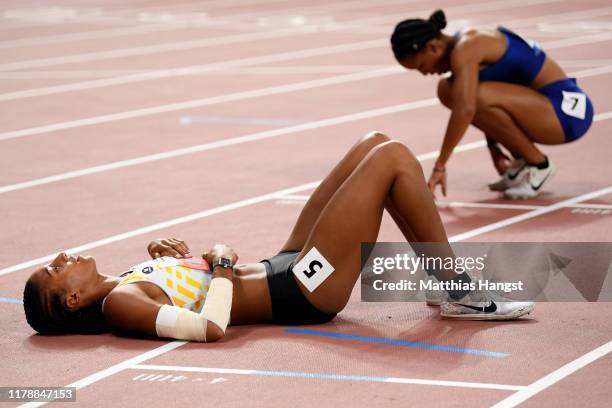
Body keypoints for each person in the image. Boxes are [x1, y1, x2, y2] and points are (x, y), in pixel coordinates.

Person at [23, 133, 534, 343]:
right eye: (56, 268)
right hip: (301, 291)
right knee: (394, 159)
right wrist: (221, 264)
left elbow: (182, 291)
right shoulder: (118, 306)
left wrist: (167, 260)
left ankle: (443, 281)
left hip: (283, 265)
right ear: (72, 298)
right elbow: (211, 328)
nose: (62, 257)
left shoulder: (128, 280)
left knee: (373, 145)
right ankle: (458, 289)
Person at [390, 10, 594, 199]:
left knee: (467, 96)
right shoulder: (464, 49)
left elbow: (468, 108)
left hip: (566, 112)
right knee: (448, 89)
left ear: (433, 47)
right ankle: (523, 162)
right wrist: (493, 147)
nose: (425, 73)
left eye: (421, 66)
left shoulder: (467, 47)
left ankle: (539, 165)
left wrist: (440, 166)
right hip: (547, 109)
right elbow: (486, 105)